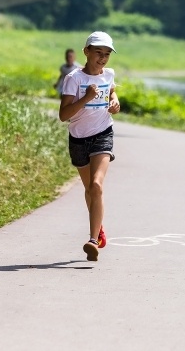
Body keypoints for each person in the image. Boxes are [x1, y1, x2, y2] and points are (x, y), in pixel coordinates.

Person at [58, 31, 120, 262]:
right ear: (86, 51)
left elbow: (111, 90)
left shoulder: (109, 74)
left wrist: (115, 101)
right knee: (89, 190)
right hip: (78, 139)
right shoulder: (74, 78)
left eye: (106, 54)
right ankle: (100, 229)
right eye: (98, 53)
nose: (102, 58)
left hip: (103, 133)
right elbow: (64, 114)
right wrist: (85, 98)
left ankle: (93, 240)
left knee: (96, 185)